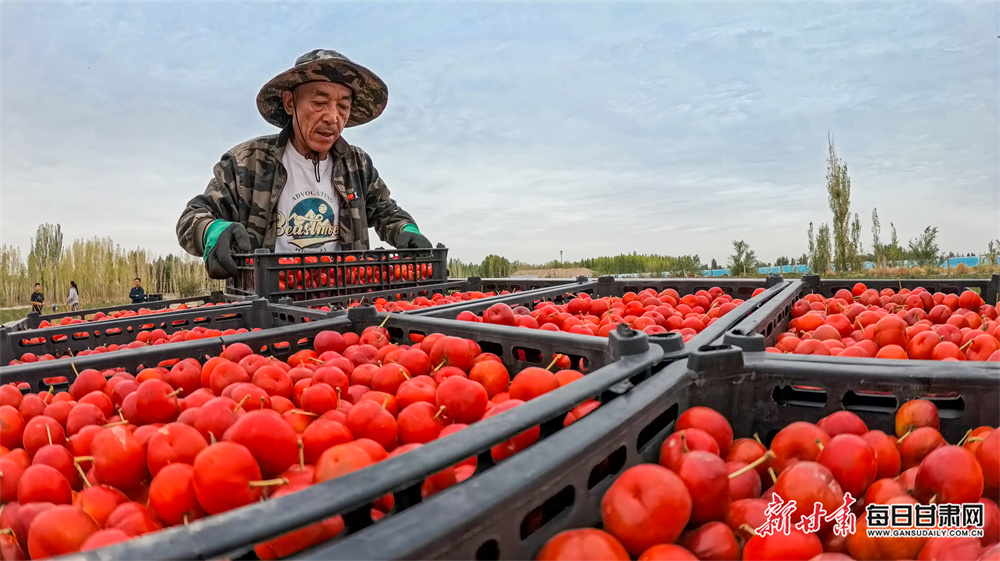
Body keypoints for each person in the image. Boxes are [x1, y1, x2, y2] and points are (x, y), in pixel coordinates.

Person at [176, 49, 433, 280]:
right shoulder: (247, 163)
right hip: (268, 304)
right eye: (319, 103)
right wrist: (212, 231)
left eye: (343, 106)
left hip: (344, 301)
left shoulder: (357, 165)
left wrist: (405, 230)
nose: (333, 118)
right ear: (290, 103)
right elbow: (192, 217)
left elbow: (387, 213)